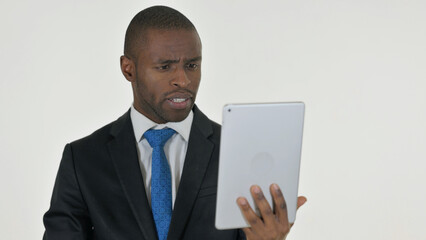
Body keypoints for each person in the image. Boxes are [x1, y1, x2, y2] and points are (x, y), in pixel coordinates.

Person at [43, 5, 307, 240]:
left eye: (192, 66)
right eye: (165, 67)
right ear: (129, 69)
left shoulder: (236, 148)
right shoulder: (83, 159)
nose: (183, 80)